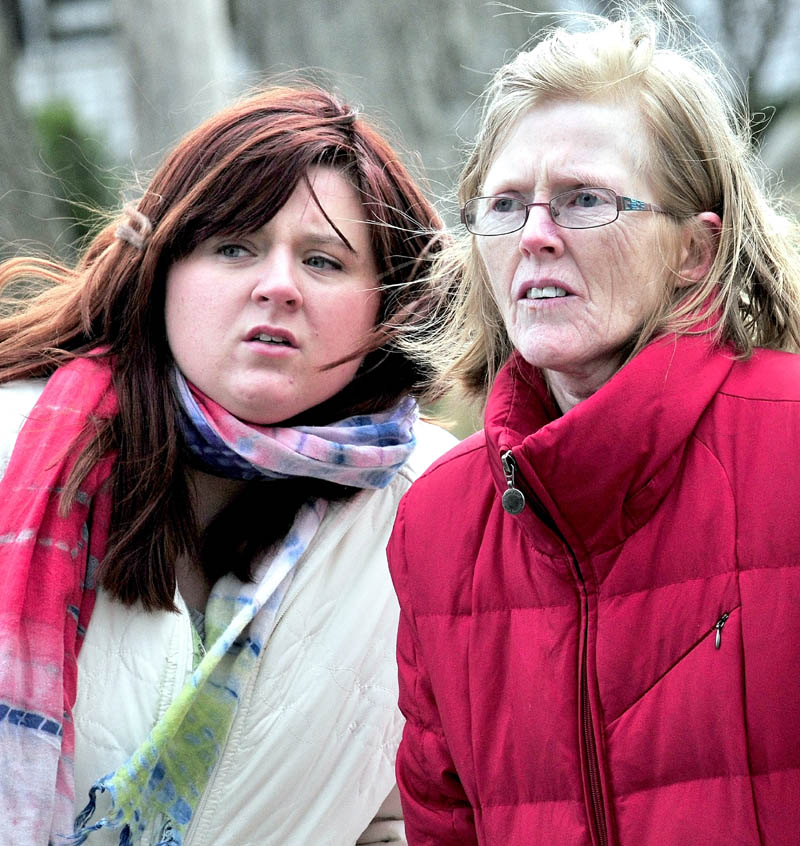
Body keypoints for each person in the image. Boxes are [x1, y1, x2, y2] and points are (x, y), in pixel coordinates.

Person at [0, 85, 456, 845]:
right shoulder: (16, 448)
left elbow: (404, 812)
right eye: (235, 248)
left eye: (323, 260)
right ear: (163, 269)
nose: (277, 286)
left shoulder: (434, 506)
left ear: (387, 304)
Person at [387, 8, 800, 845]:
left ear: (693, 251)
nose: (535, 236)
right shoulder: (436, 524)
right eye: (506, 205)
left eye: (584, 200)